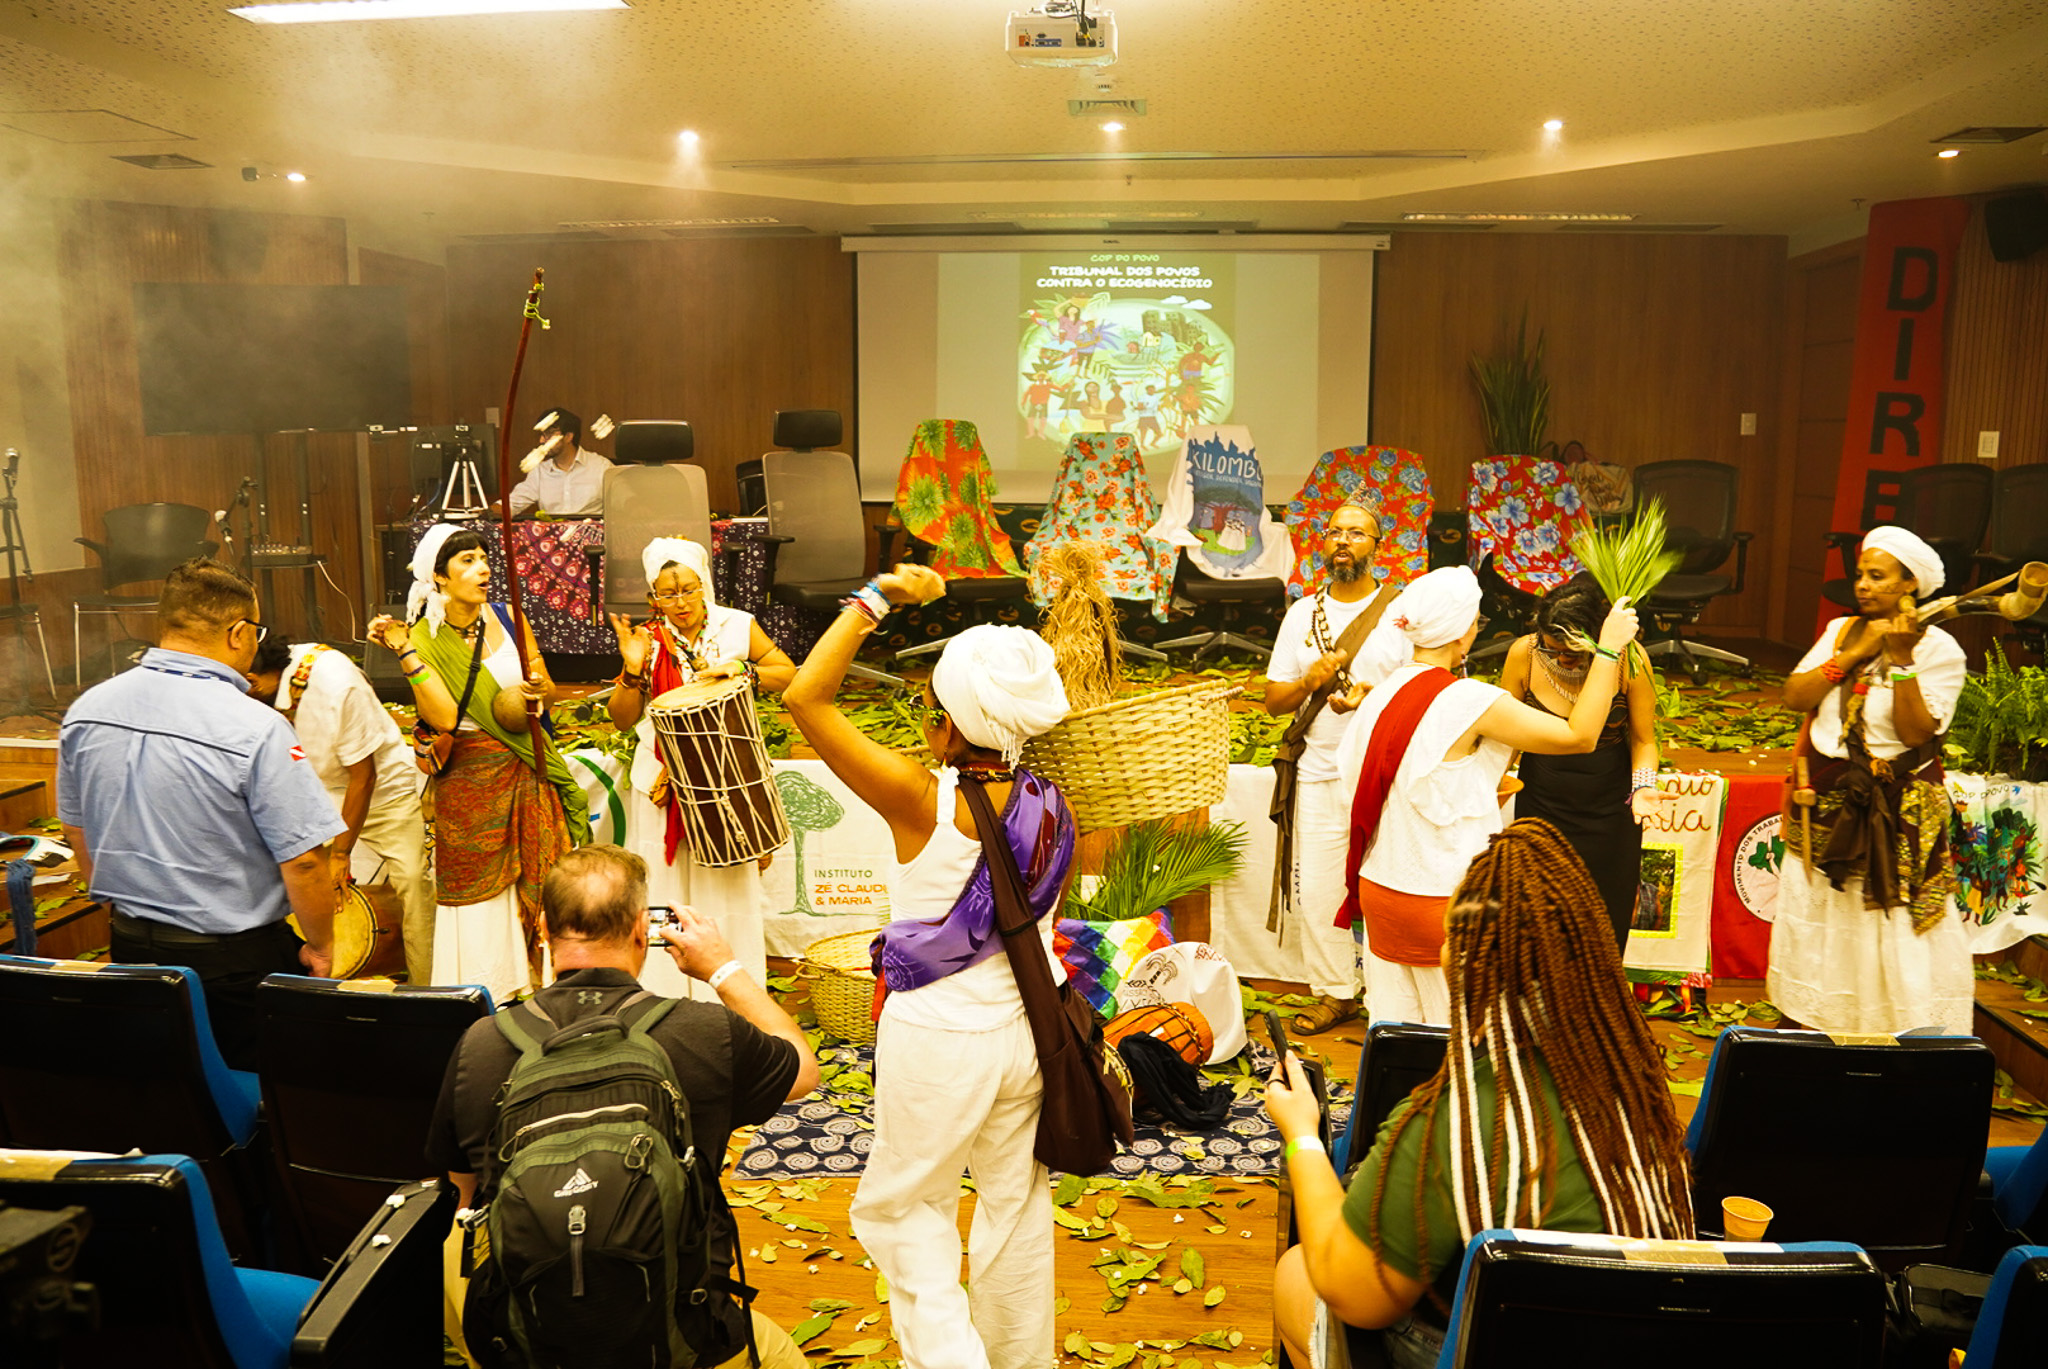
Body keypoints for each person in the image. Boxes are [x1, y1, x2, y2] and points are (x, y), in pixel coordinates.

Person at [1266, 819, 1696, 1369]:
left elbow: (1353, 1294)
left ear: (1462, 964)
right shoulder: (1629, 1072)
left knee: (1298, 1276)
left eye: (1452, 938)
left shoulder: (1456, 1121)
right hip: (1635, 1340)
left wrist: (1302, 1135)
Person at [785, 572, 1074, 1369]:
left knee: (906, 1212)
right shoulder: (1050, 800)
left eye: (929, 711)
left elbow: (807, 700)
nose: (922, 723)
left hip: (941, 1042)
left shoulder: (921, 797)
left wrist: (876, 598)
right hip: (1028, 1035)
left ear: (949, 725)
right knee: (1015, 1207)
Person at [427, 843, 820, 1369]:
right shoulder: (705, 1032)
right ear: (643, 929)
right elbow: (802, 1068)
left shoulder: (481, 1043)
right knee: (780, 1355)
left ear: (541, 926)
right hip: (680, 1338)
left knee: (453, 1245)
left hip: (528, 1341)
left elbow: (463, 1199)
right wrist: (722, 968)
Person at [57, 559, 342, 1069]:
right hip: (230, 964)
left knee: (166, 1089)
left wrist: (123, 911)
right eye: (256, 632)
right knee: (261, 1100)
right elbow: (303, 861)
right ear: (238, 633)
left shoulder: (87, 709)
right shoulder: (256, 727)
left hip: (129, 947)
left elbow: (76, 828)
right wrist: (320, 948)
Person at [1332, 566, 1639, 1023]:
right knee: (1459, 1048)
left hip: (1381, 891)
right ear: (1464, 633)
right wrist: (1610, 648)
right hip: (1443, 900)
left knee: (1394, 1038)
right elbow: (1579, 736)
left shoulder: (1383, 690)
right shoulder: (1469, 699)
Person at [368, 524, 591, 1000]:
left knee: (538, 876)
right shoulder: (423, 638)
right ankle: (484, 989)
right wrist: (404, 651)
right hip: (470, 783)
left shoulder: (510, 618)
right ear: (439, 579)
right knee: (476, 892)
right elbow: (444, 716)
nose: (483, 569)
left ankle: (537, 987)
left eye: (483, 558)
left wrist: (537, 694)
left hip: (526, 769)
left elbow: (547, 688)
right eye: (466, 561)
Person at [1771, 525, 1970, 1034]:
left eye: (1877, 577)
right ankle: (1818, 1022)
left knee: (1890, 922)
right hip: (1828, 805)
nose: (1862, 585)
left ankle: (1895, 1031)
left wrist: (1900, 660)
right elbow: (1796, 696)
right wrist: (1853, 655)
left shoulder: (1939, 649)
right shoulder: (1840, 632)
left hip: (1895, 811)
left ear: (1909, 585)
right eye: (1860, 574)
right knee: (1828, 915)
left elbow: (1916, 731)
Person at [607, 536, 796, 1002]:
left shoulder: (736, 626)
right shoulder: (646, 639)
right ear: (653, 597)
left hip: (727, 780)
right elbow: (621, 717)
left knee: (726, 891)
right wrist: (633, 672)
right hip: (662, 784)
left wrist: (743, 671)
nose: (681, 602)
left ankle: (732, 994)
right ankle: (665, 997)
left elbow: (787, 673)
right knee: (666, 890)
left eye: (689, 590)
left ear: (704, 585)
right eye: (668, 594)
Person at [1263, 501, 1400, 1032]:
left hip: (1384, 773)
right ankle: (1336, 991)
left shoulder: (1399, 614)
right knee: (1319, 888)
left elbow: (1427, 689)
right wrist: (1310, 682)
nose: (1344, 541)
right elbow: (1275, 701)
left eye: (1357, 534)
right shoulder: (1301, 614)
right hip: (1317, 772)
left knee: (1388, 885)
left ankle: (1393, 995)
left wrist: (1371, 698)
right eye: (1335, 532)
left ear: (1377, 545)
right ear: (1323, 543)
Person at [245, 631, 436, 982]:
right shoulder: (271, 681)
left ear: (251, 680)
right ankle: (294, 977)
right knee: (278, 874)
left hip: (381, 793)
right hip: (316, 787)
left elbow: (363, 778)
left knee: (412, 882)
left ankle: (424, 986)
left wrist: (340, 855)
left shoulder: (336, 684)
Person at [1494, 572, 1668, 955]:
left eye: (1571, 652)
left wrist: (1642, 786)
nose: (1559, 658)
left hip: (1610, 808)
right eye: (1551, 648)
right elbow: (1505, 734)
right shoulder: (1523, 654)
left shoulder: (1628, 661)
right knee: (1537, 918)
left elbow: (1642, 739)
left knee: (1601, 923)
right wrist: (1492, 783)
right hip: (1541, 803)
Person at [506, 407, 611, 518]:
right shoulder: (540, 471)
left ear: (568, 437)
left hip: (591, 532)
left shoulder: (601, 467)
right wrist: (489, 512)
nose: (541, 440)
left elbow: (625, 503)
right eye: (542, 435)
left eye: (549, 434)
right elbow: (513, 504)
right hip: (552, 534)